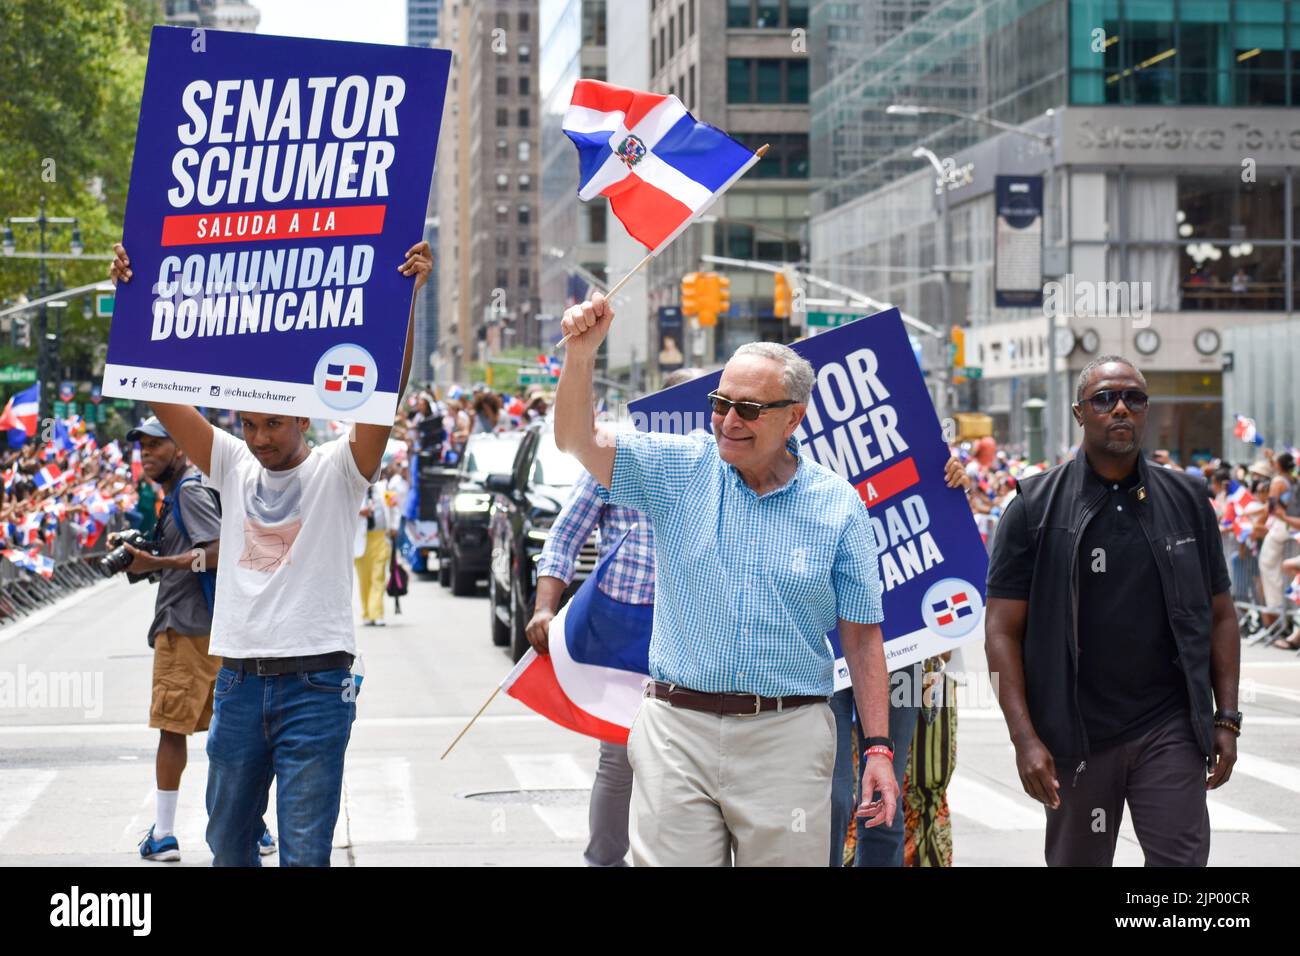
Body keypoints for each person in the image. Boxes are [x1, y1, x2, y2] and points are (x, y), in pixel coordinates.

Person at [110, 239, 433, 866]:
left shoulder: (342, 469)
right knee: (228, 843)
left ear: (305, 420)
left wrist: (404, 302)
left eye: (274, 425)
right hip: (236, 684)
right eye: (250, 425)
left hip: (318, 686)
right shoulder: (229, 463)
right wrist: (132, 292)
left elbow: (383, 396)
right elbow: (155, 389)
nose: (260, 439)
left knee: (306, 852)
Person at [555, 292, 896, 867]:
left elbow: (862, 638)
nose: (729, 421)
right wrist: (581, 355)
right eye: (721, 404)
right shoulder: (678, 467)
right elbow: (576, 441)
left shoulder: (837, 506)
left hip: (787, 739)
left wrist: (879, 749)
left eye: (749, 409)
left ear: (794, 417)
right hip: (676, 733)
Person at [985, 355, 1241, 866]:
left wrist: (1226, 718)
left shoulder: (1188, 498)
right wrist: (1025, 739)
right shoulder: (1034, 506)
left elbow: (1221, 615)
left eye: (1134, 398)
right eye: (1105, 399)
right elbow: (1001, 632)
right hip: (1075, 736)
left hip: (1168, 728)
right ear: (1080, 413)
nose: (1121, 408)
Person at [527, 368, 704, 867]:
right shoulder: (617, 459)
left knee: (689, 760)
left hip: (697, 633)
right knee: (619, 756)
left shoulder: (720, 464)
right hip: (624, 630)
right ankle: (605, 860)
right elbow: (564, 536)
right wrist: (544, 608)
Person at [118, 417, 250, 861]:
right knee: (227, 736)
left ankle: (166, 834)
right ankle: (256, 825)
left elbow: (216, 551)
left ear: (180, 447)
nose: (147, 454)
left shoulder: (190, 490)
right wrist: (151, 560)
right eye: (142, 448)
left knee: (172, 732)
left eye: (156, 445)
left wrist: (160, 563)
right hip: (210, 629)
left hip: (186, 628)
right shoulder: (184, 490)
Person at [356, 468, 400, 627]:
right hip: (361, 542)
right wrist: (360, 512)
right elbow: (342, 510)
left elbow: (395, 508)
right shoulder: (353, 490)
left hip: (381, 539)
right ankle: (367, 614)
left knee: (378, 577)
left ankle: (378, 613)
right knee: (364, 580)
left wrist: (394, 526)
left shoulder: (386, 489)